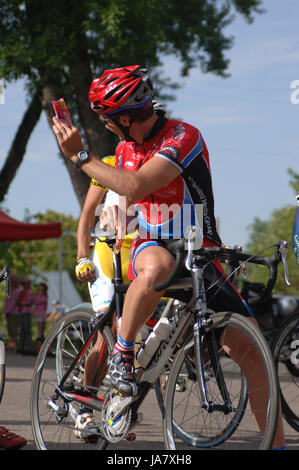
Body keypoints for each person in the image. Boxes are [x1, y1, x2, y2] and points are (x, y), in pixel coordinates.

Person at [52, 65, 285, 448]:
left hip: (200, 254)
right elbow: (126, 195)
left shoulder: (182, 135)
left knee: (253, 354)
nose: (107, 126)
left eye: (108, 120)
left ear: (125, 119)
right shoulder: (126, 149)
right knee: (157, 264)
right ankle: (123, 356)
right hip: (152, 249)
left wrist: (79, 155)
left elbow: (136, 183)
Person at [3, 275, 20, 351]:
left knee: (13, 329)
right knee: (9, 328)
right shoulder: (10, 290)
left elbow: (15, 302)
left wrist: (9, 310)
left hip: (13, 313)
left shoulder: (17, 291)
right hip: (8, 312)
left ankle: (14, 344)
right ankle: (11, 343)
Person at [18, 279, 33, 354]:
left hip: (27, 312)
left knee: (27, 330)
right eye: (23, 284)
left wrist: (21, 303)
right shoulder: (21, 292)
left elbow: (29, 302)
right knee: (22, 330)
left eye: (25, 284)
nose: (23, 285)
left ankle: (28, 346)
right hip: (21, 312)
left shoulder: (29, 292)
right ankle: (21, 346)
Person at [33, 282, 48, 351]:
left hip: (41, 314)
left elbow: (38, 301)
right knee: (40, 330)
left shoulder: (43, 295)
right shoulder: (39, 294)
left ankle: (40, 344)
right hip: (39, 314)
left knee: (41, 330)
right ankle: (40, 344)